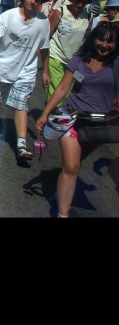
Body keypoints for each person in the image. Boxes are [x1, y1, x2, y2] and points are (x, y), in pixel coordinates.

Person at [36, 23, 119, 217]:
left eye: (110, 41)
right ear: (93, 39)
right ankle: (63, 214)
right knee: (72, 166)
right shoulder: (79, 61)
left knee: (74, 165)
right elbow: (63, 89)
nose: (105, 45)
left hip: (99, 125)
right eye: (101, 39)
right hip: (72, 119)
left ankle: (63, 187)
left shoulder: (116, 64)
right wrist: (45, 113)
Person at [0, 0, 51, 159]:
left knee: (21, 105)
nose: (34, 2)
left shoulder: (43, 22)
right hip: (3, 67)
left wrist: (45, 71)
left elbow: (45, 48)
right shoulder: (7, 16)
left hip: (26, 71)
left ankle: (21, 144)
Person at [44, 0, 92, 107]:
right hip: (56, 55)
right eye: (78, 0)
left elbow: (87, 37)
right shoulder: (61, 11)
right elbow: (47, 34)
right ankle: (50, 118)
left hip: (74, 59)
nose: (80, 5)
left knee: (67, 92)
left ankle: (52, 116)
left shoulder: (88, 15)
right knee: (57, 90)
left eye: (84, 2)